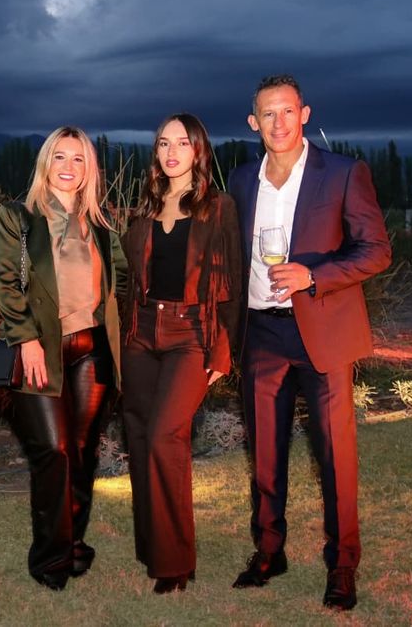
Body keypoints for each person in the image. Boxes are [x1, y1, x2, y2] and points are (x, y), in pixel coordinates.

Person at [227, 75, 391, 611]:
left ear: (304, 114)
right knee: (266, 454)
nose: (277, 123)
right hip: (261, 334)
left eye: (286, 112)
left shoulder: (343, 173)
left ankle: (342, 566)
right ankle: (269, 552)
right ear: (253, 123)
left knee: (334, 456)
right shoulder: (241, 181)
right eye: (266, 115)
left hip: (322, 331)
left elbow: (375, 252)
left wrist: (312, 277)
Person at [0, 126, 127, 591]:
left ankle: (72, 544)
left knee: (84, 453)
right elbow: (6, 282)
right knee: (54, 450)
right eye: (60, 157)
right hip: (41, 348)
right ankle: (50, 558)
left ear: (90, 169)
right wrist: (25, 338)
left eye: (79, 159)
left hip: (94, 348)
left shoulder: (102, 224)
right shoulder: (19, 217)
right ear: (46, 163)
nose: (69, 168)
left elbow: (121, 283)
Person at [120, 113, 242, 594]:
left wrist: (224, 349)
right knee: (139, 435)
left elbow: (231, 281)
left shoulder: (218, 208)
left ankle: (175, 564)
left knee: (166, 436)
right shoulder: (144, 209)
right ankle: (153, 544)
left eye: (182, 144)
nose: (171, 153)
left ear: (198, 151)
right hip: (141, 333)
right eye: (163, 144)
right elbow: (129, 281)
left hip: (193, 332)